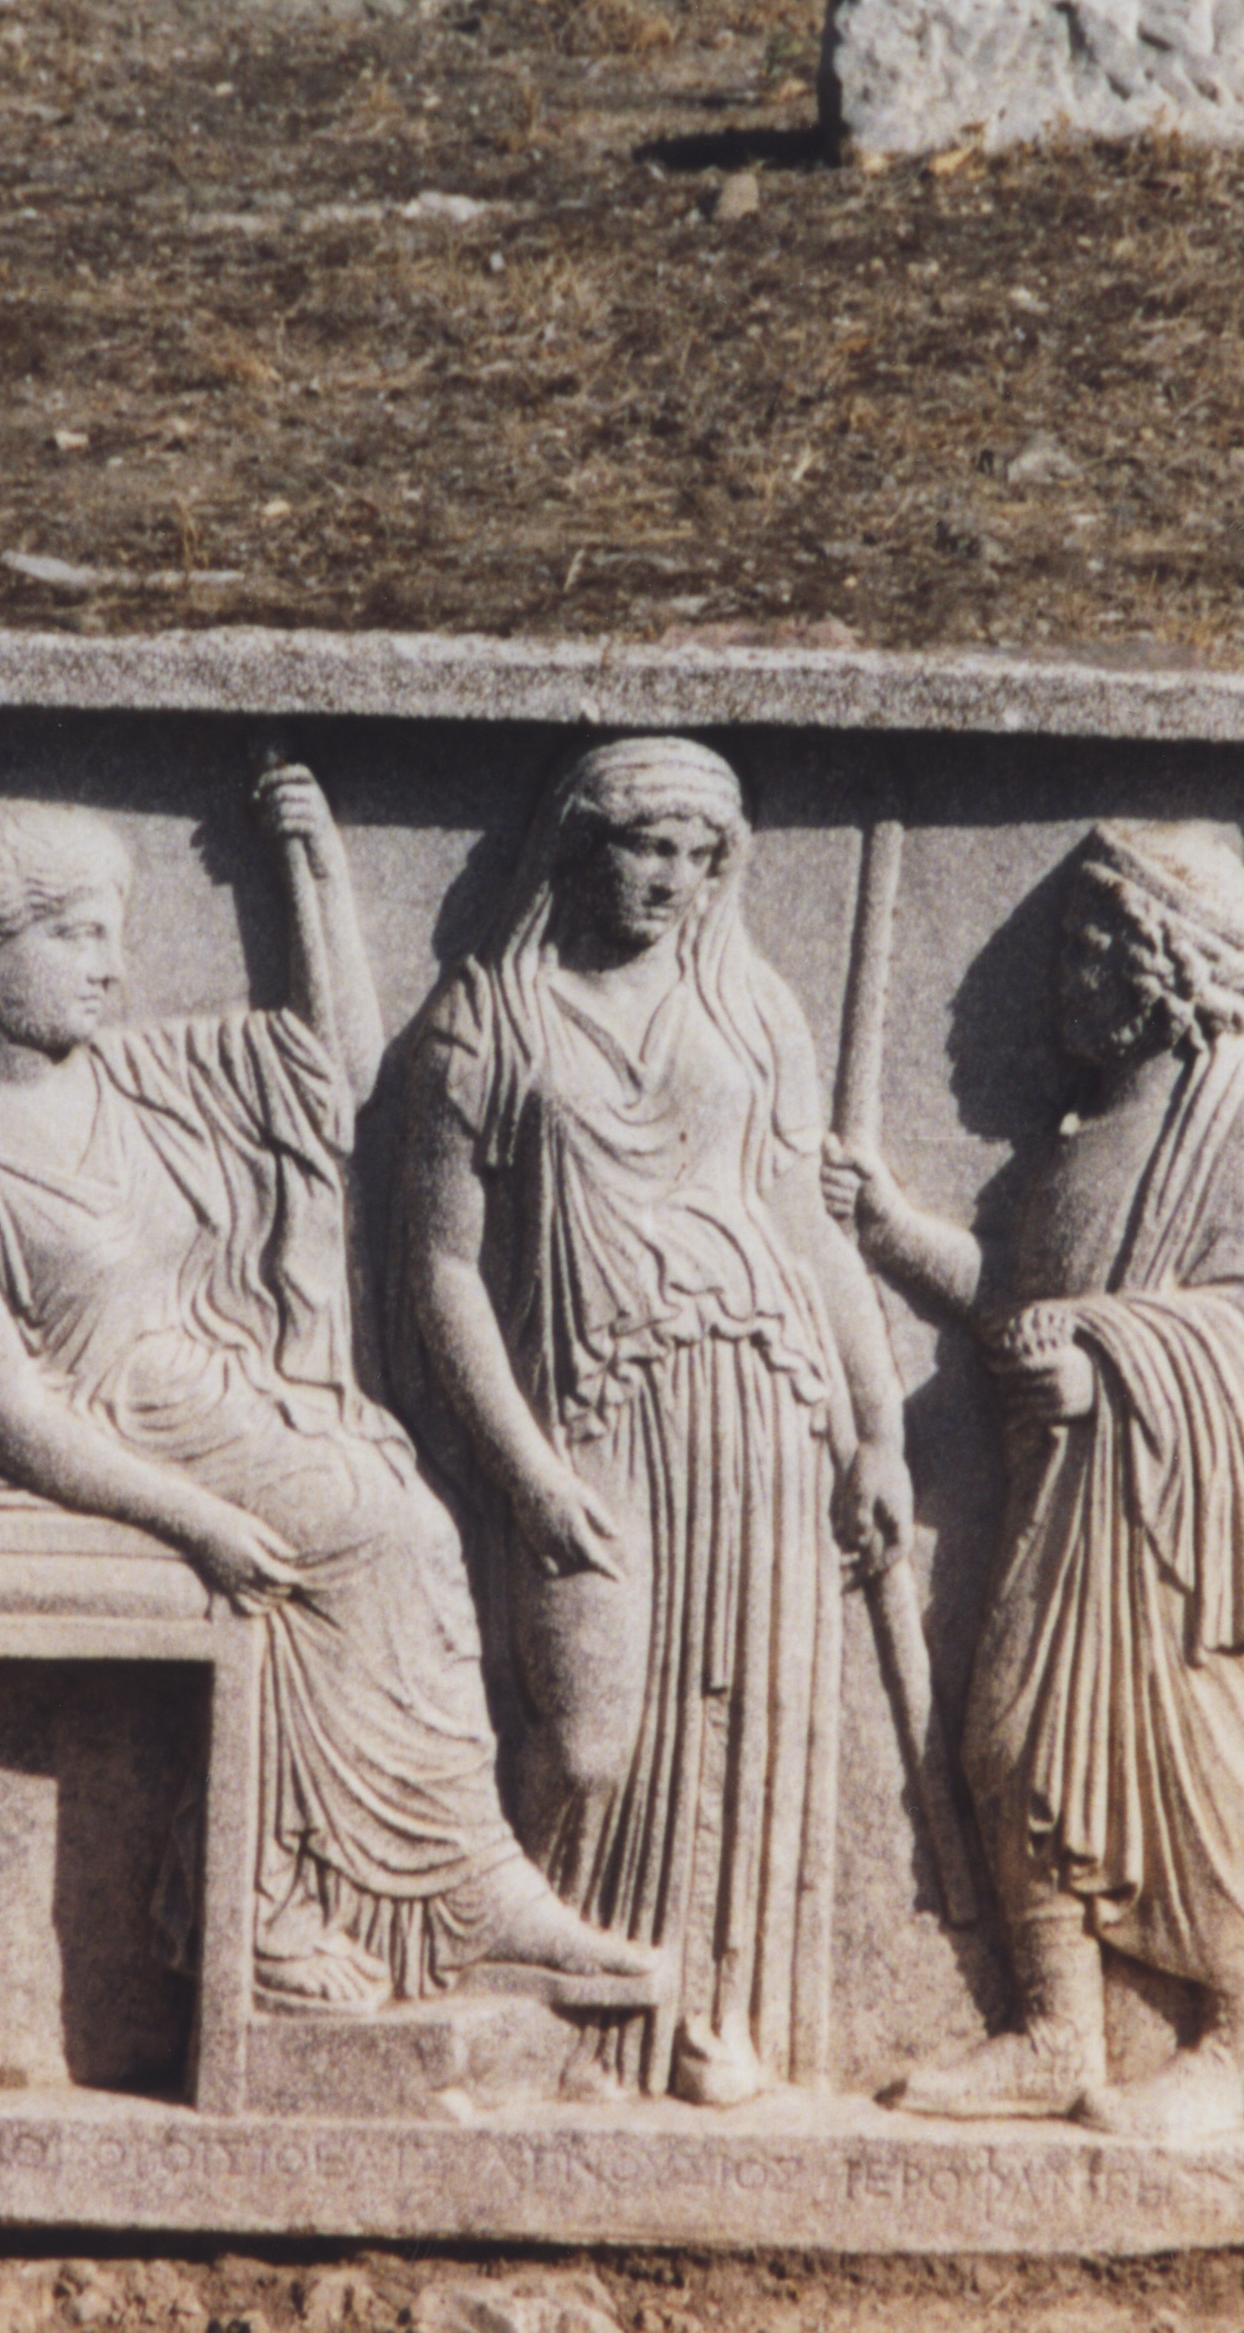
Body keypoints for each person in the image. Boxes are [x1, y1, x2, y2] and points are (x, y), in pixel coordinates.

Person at [0, 774, 648, 2013]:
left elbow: (329, 1069)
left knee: (401, 1515)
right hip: (115, 1432)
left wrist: (309, 867)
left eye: (115, 931)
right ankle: (305, 1913)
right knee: (361, 1533)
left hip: (216, 1393)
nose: (111, 967)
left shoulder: (124, 1075)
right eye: (73, 933)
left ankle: (440, 1891)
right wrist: (190, 1519)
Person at [396, 736, 914, 2106]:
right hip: (585, 1412)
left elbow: (804, 1222)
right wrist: (518, 1466)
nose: (672, 879)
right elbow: (438, 1267)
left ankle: (703, 2011)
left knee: (738, 1718)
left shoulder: (753, 1012)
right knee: (583, 1736)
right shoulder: (484, 1021)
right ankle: (516, 2003)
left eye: (700, 853)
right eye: (645, 846)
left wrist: (877, 1426)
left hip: (759, 1395)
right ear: (577, 845)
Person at [822, 820, 1244, 2141]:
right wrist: (887, 1228)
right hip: (1067, 1509)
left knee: (1203, 1777)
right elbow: (1014, 1302)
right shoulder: (1076, 1139)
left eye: (1096, 946)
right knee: (1008, 1744)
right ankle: (1055, 2029)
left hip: (1178, 1527)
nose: (1070, 973)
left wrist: (1110, 1363)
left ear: (1171, 966)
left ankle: (1229, 2041)